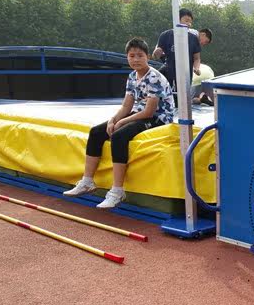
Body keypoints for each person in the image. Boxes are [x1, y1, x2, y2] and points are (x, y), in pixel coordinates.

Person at [63, 38, 174, 209]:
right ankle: (87, 181)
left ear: (147, 56)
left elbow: (149, 112)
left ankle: (117, 191)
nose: (136, 59)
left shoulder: (154, 77)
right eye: (132, 56)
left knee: (119, 136)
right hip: (138, 113)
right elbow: (126, 106)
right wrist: (113, 120)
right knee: (96, 132)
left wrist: (122, 122)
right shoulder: (132, 76)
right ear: (127, 57)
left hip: (158, 117)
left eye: (140, 55)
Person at [152, 8, 202, 88]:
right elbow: (155, 56)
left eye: (190, 22)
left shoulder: (193, 38)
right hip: (168, 76)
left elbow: (197, 58)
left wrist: (196, 68)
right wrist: (156, 53)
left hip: (186, 77)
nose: (189, 24)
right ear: (177, 20)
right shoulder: (165, 35)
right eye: (186, 21)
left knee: (184, 95)